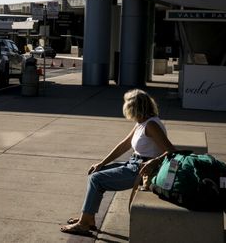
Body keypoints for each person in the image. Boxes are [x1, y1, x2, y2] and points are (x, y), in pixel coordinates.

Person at [60, 89, 175, 236]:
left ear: (135, 108)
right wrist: (101, 163)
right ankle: (89, 218)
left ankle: (83, 223)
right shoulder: (142, 122)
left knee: (97, 179)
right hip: (133, 163)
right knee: (97, 173)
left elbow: (172, 151)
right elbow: (124, 145)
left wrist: (154, 162)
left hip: (141, 170)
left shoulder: (151, 125)